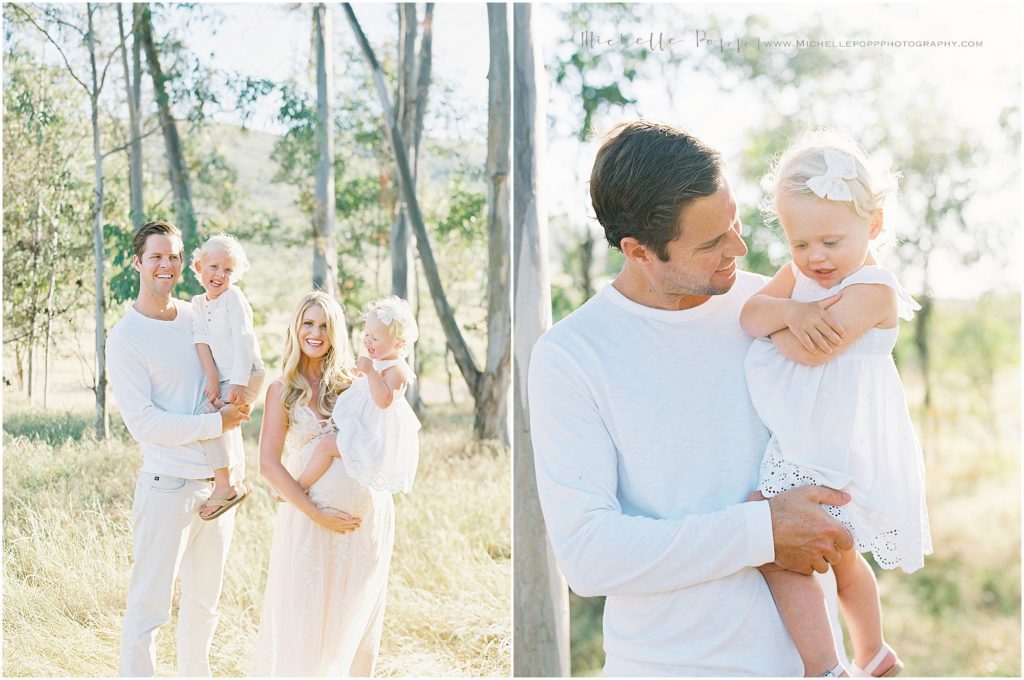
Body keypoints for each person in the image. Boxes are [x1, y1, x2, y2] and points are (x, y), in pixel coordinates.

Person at [528, 121, 855, 675]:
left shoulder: (777, 308)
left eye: (734, 224)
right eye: (711, 243)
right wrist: (763, 532)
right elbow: (587, 555)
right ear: (639, 251)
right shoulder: (572, 355)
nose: (740, 248)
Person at [741, 134, 931, 677]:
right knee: (840, 554)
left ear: (872, 226)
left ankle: (826, 666)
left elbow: (807, 352)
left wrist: (787, 320)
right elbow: (750, 314)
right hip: (808, 436)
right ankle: (875, 653)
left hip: (835, 445)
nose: (814, 257)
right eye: (799, 245)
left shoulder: (875, 290)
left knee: (775, 540)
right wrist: (790, 312)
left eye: (829, 241)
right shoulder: (802, 277)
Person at [106, 220, 251, 676]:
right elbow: (144, 423)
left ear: (184, 262)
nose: (164, 264)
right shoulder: (126, 336)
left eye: (172, 256)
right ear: (138, 263)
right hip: (168, 486)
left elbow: (239, 370)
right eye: (155, 256)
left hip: (219, 488)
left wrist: (239, 414)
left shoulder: (200, 314)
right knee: (149, 611)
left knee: (204, 609)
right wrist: (215, 421)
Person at [250, 292, 396, 676]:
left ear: (336, 333)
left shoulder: (354, 384)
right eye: (308, 323)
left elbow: (383, 434)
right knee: (306, 620)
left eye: (324, 325)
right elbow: (267, 463)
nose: (315, 333)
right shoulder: (282, 389)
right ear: (296, 328)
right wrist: (317, 513)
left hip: (362, 525)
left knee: (353, 622)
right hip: (308, 520)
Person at [296, 295, 421, 496]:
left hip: (374, 436)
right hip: (362, 426)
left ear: (398, 343)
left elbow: (383, 401)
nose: (368, 341)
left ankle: (299, 486)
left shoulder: (397, 370)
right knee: (325, 439)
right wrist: (360, 375)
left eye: (376, 338)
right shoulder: (379, 362)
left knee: (327, 445)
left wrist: (371, 373)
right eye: (367, 335)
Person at [189, 234, 266, 520]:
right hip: (223, 378)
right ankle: (232, 481)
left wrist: (238, 382)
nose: (220, 275)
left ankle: (225, 485)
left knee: (215, 419)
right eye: (214, 267)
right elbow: (201, 343)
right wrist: (211, 379)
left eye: (228, 270)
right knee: (214, 418)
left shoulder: (233, 298)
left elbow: (245, 339)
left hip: (247, 372)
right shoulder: (198, 303)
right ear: (199, 267)